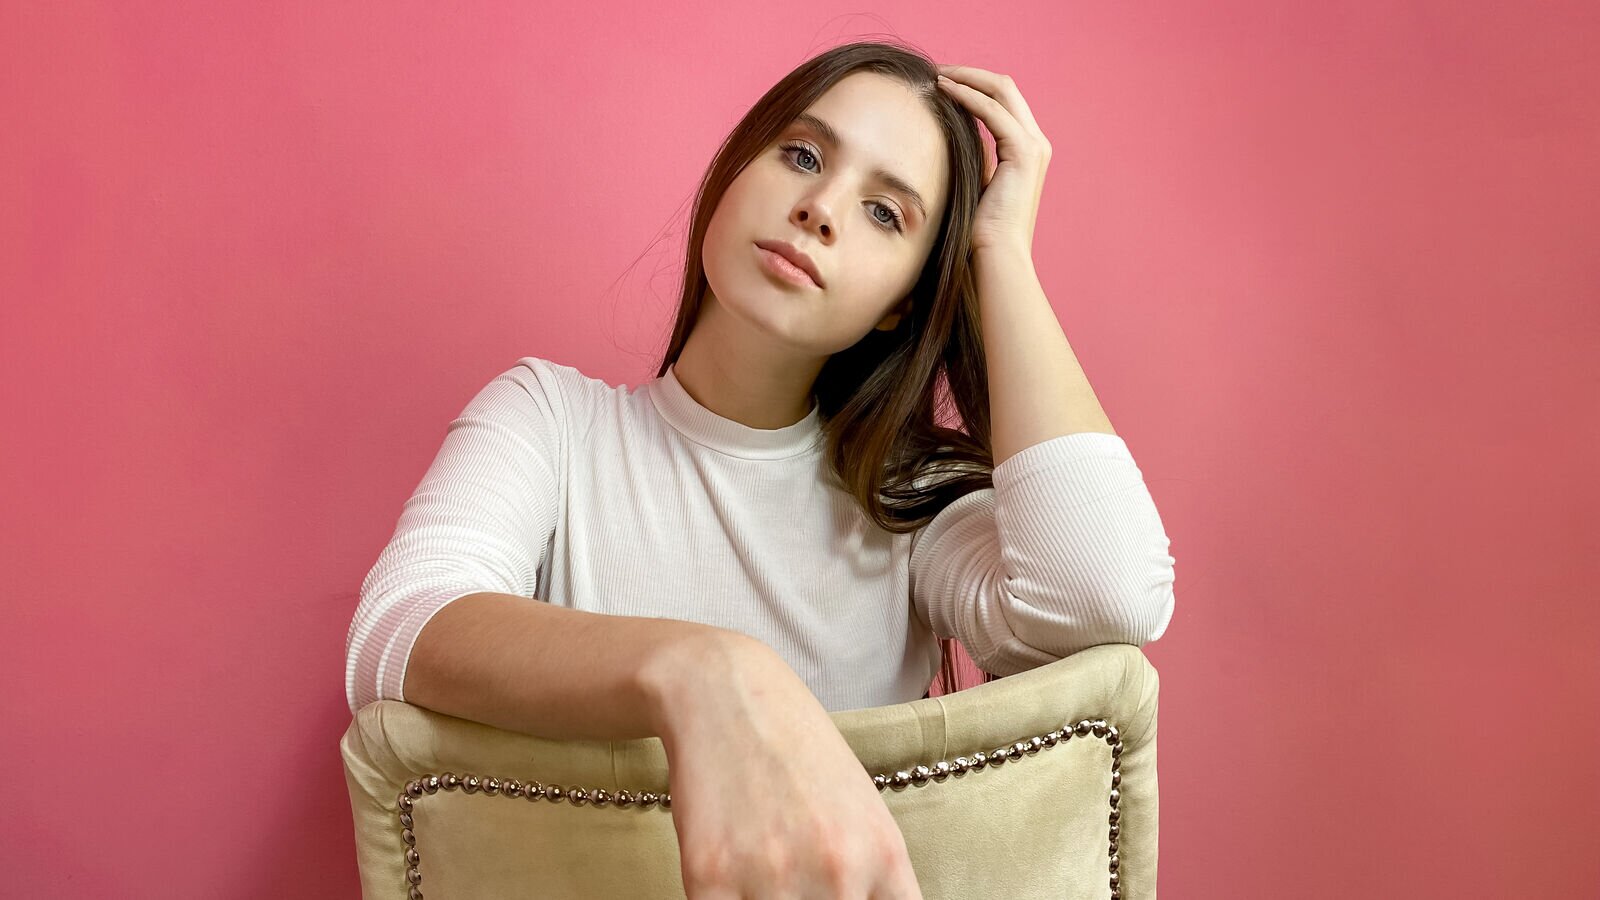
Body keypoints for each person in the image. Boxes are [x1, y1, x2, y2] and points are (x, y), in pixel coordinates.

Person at [344, 39, 1175, 900]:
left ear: (902, 302)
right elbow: (397, 630)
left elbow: (1104, 594)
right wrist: (705, 674)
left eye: (885, 212)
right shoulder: (550, 421)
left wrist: (999, 252)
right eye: (803, 156)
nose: (820, 208)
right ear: (735, 171)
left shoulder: (903, 504)